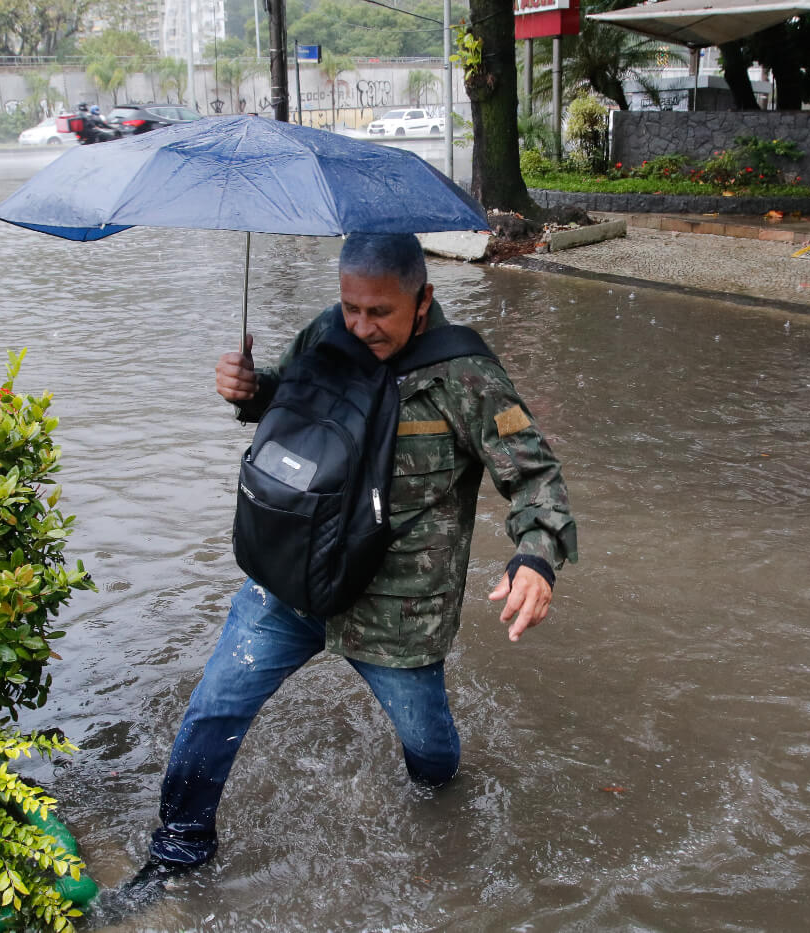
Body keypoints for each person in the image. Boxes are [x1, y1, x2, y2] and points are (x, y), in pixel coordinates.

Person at [145, 232, 577, 874]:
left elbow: (535, 479)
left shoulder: (469, 377)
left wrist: (535, 559)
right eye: (352, 307)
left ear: (422, 301)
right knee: (215, 707)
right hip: (291, 578)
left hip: (395, 611)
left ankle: (443, 830)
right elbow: (288, 406)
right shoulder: (327, 334)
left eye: (381, 312)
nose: (362, 326)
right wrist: (248, 392)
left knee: (430, 757)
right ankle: (179, 848)